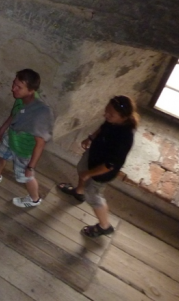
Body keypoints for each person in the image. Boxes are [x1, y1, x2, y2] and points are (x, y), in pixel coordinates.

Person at [57, 95, 138, 237]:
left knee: (93, 195)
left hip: (102, 172)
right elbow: (103, 128)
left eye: (110, 114)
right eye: (106, 111)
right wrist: (91, 138)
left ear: (123, 117)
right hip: (94, 156)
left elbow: (110, 165)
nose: (105, 115)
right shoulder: (112, 121)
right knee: (81, 168)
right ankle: (79, 192)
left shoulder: (125, 137)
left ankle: (104, 226)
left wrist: (89, 174)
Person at [0, 69, 54, 208]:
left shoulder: (40, 113)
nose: (13, 89)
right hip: (12, 136)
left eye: (19, 87)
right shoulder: (21, 98)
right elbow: (14, 114)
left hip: (23, 150)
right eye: (14, 84)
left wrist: (31, 166)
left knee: (26, 176)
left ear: (31, 90)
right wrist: (3, 128)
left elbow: (40, 144)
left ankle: (34, 199)